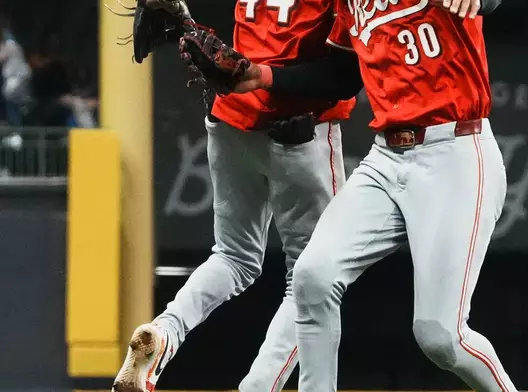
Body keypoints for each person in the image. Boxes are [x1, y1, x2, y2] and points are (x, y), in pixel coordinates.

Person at [234, 0, 519, 390]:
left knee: (441, 337)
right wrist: (264, 76)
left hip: (456, 152)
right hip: (386, 157)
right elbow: (341, 75)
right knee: (312, 277)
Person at [111, 0, 360, 391]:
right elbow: (345, 77)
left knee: (233, 257)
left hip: (230, 118)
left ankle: (166, 331)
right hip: (297, 129)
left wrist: (183, 16)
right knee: (310, 281)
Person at [0, 28, 31, 128]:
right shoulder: (9, 43)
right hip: (17, 77)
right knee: (13, 102)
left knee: (11, 99)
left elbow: (2, 56)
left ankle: (16, 132)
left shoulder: (10, 44)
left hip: (17, 76)